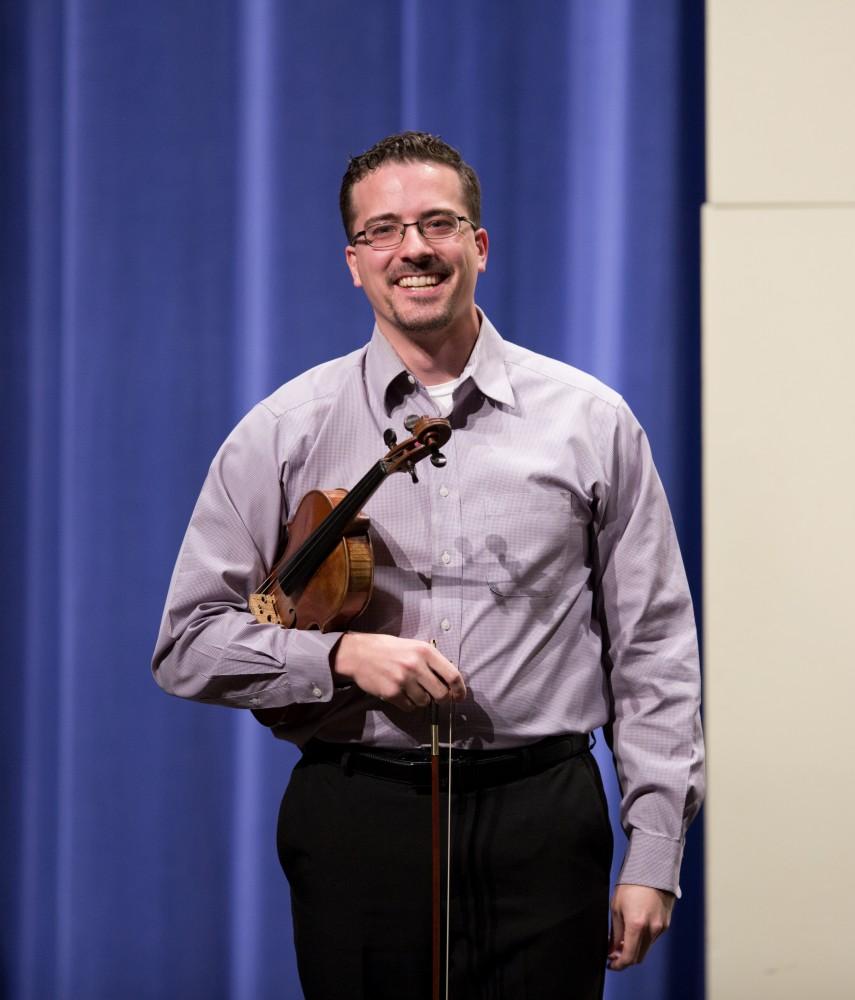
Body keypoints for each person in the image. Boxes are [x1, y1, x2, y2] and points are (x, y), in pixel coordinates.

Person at [153, 131, 704, 1000]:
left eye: (437, 223)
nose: (413, 248)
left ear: (477, 246)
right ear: (354, 261)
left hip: (542, 815)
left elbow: (654, 648)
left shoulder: (589, 421)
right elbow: (187, 643)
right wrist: (337, 657)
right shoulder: (283, 430)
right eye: (384, 230)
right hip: (359, 816)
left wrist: (655, 851)